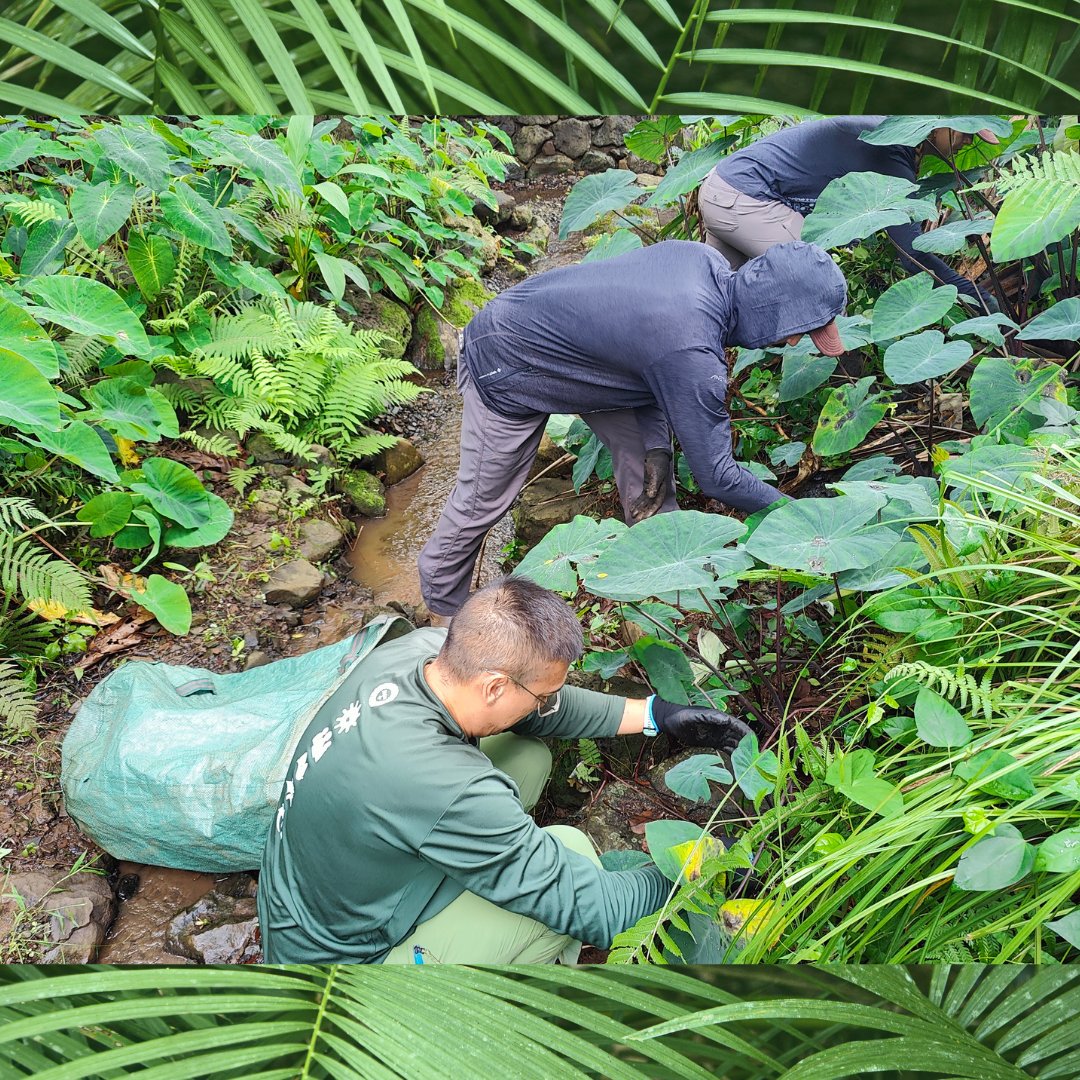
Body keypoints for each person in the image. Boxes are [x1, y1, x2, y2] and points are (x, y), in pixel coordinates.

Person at [258, 576, 750, 964]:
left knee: (527, 756)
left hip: (309, 892)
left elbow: (542, 709)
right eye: (542, 694)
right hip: (339, 966)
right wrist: (701, 870)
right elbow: (597, 909)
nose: (548, 703)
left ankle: (488, 860)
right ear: (494, 687)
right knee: (572, 849)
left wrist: (653, 715)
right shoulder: (444, 783)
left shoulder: (424, 652)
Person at [418, 238, 846, 620]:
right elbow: (717, 476)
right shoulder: (693, 350)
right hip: (507, 355)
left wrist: (658, 447)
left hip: (586, 357)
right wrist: (802, 522)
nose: (795, 344)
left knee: (650, 477)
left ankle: (661, 590)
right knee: (481, 503)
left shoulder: (701, 261)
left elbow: (643, 355)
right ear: (773, 309)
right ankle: (443, 613)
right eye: (799, 332)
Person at [697, 115, 999, 310]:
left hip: (722, 188)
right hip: (744, 198)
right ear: (937, 122)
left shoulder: (892, 136)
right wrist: (981, 300)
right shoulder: (891, 147)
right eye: (966, 131)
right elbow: (910, 254)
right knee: (824, 284)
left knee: (715, 303)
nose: (970, 140)